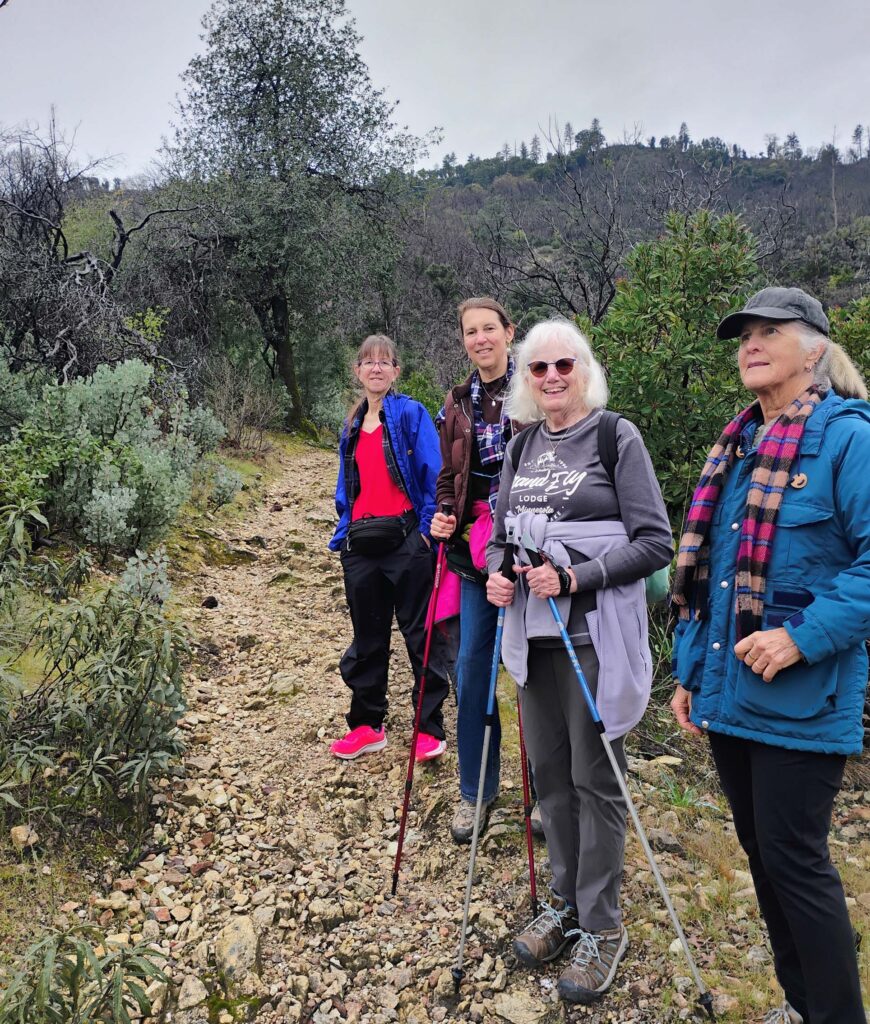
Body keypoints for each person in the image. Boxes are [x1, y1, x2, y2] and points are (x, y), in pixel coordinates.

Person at [670, 287, 870, 1024]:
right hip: (732, 696)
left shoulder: (849, 439)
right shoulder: (740, 446)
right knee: (764, 857)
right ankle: (798, 1005)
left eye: (769, 332)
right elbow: (712, 577)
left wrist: (801, 636)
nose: (750, 343)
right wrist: (689, 673)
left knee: (796, 863)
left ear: (815, 346)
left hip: (802, 698)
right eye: (743, 334)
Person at [486, 318, 673, 1004]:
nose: (552, 377)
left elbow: (655, 542)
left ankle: (602, 925)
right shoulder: (521, 445)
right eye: (538, 369)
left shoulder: (614, 436)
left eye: (564, 365)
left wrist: (575, 576)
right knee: (551, 779)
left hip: (592, 633)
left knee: (597, 781)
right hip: (532, 635)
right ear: (526, 381)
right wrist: (496, 574)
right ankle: (563, 904)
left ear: (583, 368)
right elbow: (501, 539)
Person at [430, 297, 530, 843]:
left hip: (534, 550)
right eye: (471, 331)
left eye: (490, 328)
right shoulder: (458, 400)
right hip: (475, 551)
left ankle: (545, 792)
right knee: (471, 673)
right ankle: (476, 792)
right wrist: (444, 513)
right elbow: (449, 473)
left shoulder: (536, 384)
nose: (481, 339)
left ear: (509, 332)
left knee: (538, 675)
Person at [328, 334, 449, 763]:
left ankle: (428, 729)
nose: (376, 368)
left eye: (385, 362)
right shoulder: (351, 425)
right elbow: (348, 488)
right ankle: (367, 725)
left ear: (396, 371)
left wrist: (426, 535)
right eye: (368, 362)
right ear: (357, 371)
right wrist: (344, 534)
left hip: (406, 541)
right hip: (361, 545)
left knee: (420, 636)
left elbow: (435, 474)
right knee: (368, 637)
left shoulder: (411, 414)